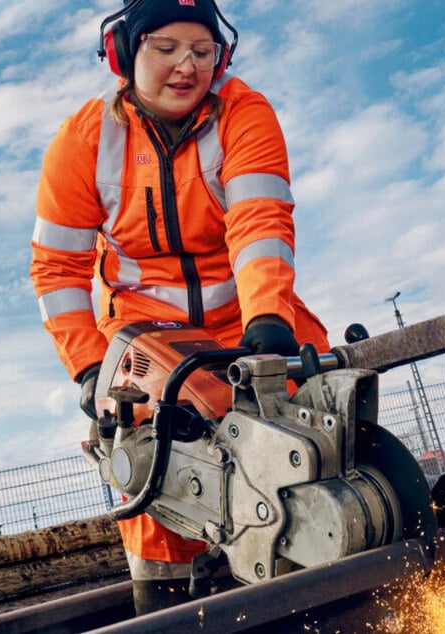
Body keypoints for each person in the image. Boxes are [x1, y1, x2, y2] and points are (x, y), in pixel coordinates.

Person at [30, 0, 329, 615]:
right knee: (150, 456)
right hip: (142, 332)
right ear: (125, 55)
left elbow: (260, 220)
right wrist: (89, 368)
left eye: (201, 51)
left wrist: (268, 320)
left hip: (248, 317)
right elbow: (57, 269)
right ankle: (166, 607)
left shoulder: (244, 112)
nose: (185, 67)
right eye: (165, 49)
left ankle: (326, 563)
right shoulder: (85, 139)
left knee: (320, 411)